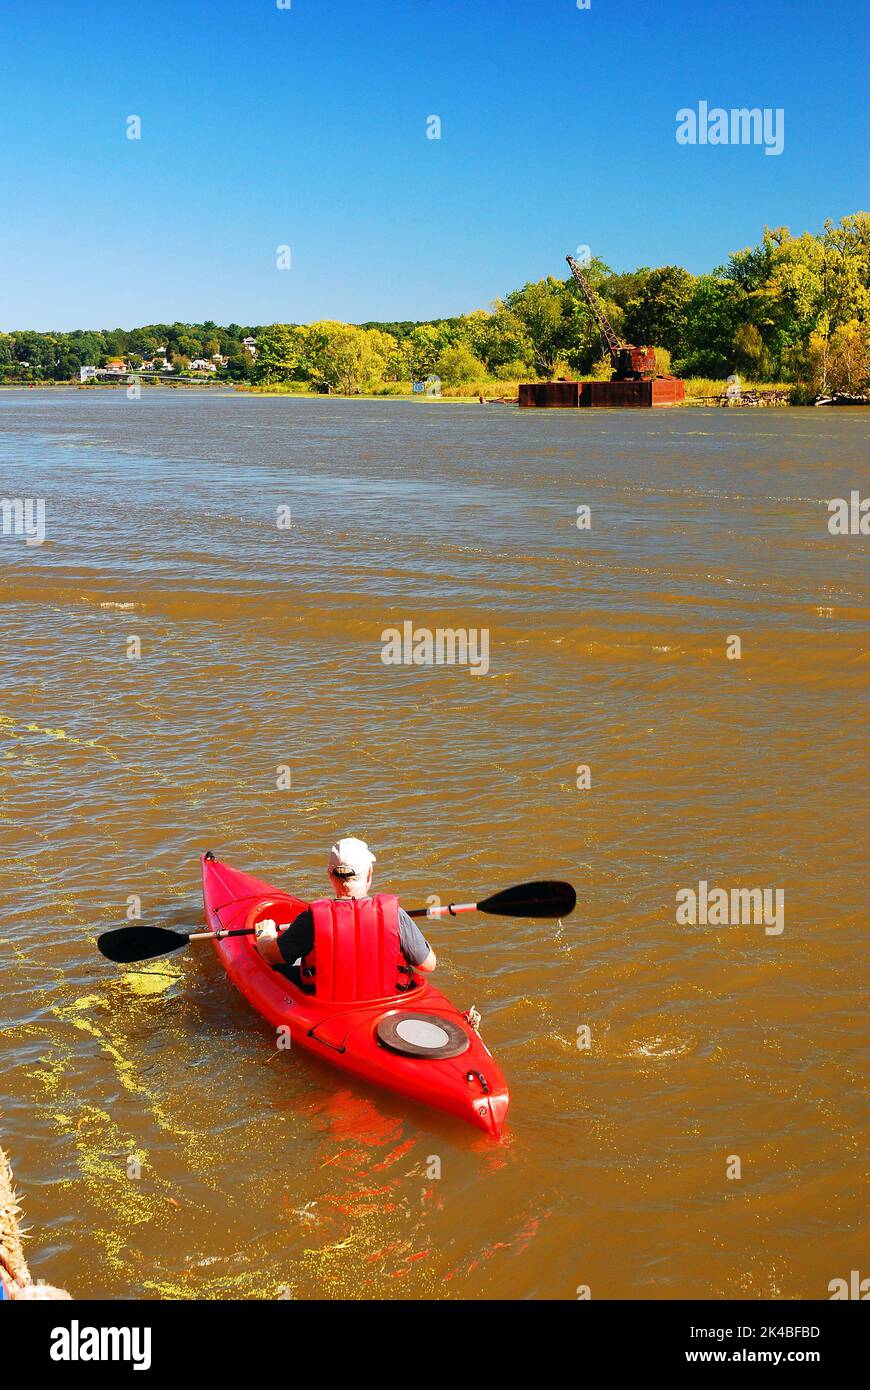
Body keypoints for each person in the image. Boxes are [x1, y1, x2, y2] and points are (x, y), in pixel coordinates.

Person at [254, 837, 436, 988]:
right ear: (369, 874)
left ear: (330, 875)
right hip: (386, 997)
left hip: (327, 999)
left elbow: (271, 956)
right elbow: (428, 965)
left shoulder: (312, 919)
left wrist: (265, 935)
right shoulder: (395, 915)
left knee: (266, 960)